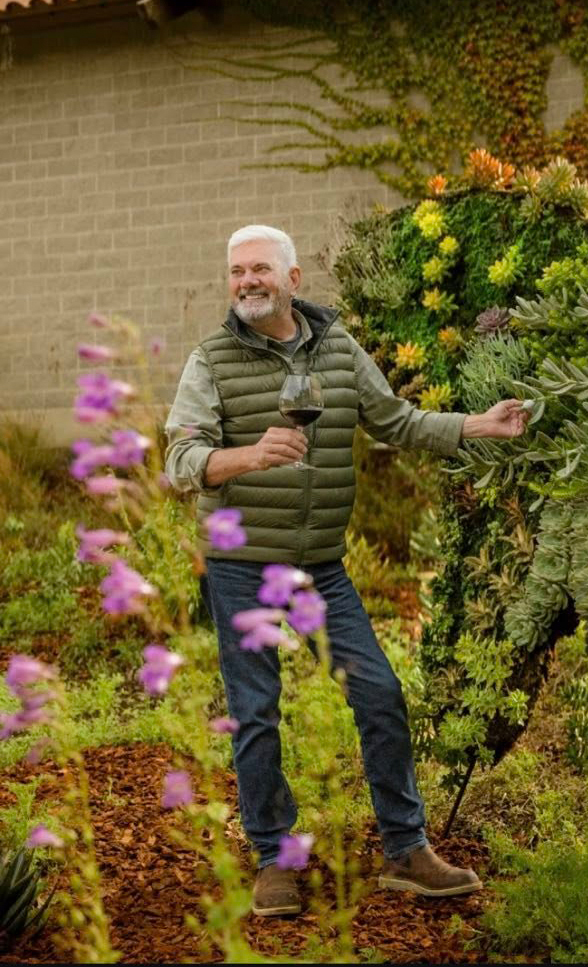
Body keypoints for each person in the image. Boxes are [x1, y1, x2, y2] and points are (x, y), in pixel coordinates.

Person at [165, 224, 527, 917]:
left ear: (293, 279)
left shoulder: (336, 347)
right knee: (255, 713)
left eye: (259, 269)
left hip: (318, 569)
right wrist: (248, 456)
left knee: (379, 692)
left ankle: (406, 849)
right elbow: (180, 461)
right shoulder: (210, 359)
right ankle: (274, 859)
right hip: (242, 566)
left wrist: (477, 425)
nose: (246, 281)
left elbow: (395, 420)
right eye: (236, 271)